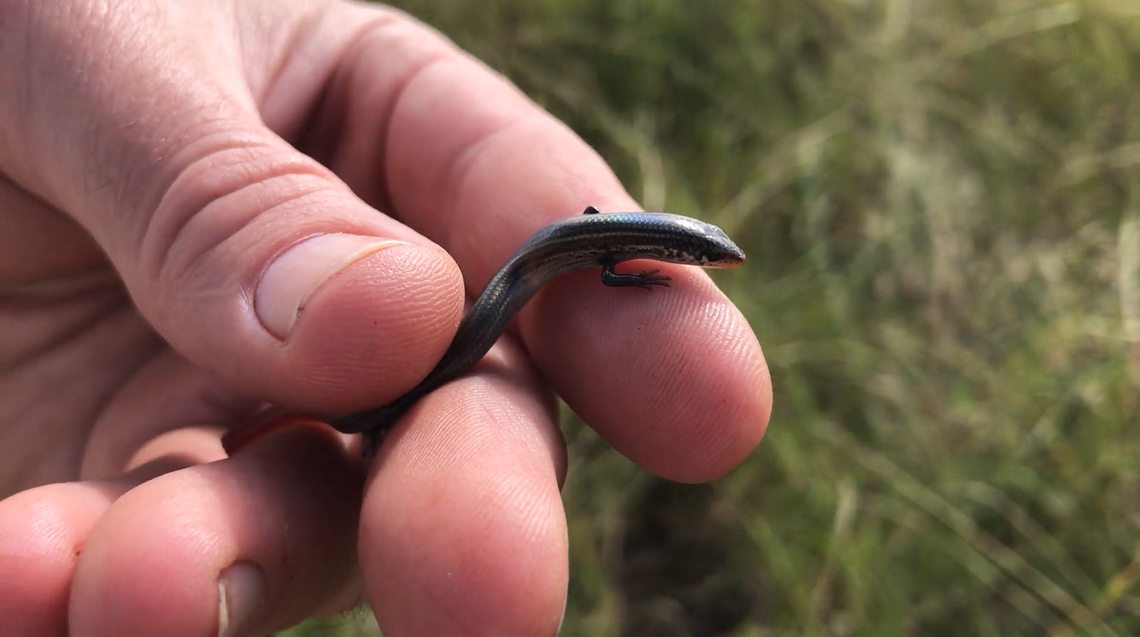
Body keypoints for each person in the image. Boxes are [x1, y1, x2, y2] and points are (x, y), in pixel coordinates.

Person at [0, 0, 772, 634]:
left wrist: (626, 277)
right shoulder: (623, 249)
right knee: (420, 379)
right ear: (686, 250)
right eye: (712, 255)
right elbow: (603, 253)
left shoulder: (629, 245)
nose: (715, 259)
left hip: (528, 269)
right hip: (485, 294)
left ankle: (365, 418)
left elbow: (605, 248)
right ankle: (365, 415)